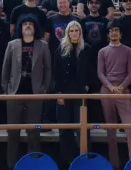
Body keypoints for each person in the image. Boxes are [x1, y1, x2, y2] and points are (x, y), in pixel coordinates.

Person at [1, 13, 51, 170]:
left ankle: (34, 165)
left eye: (31, 24)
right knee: (13, 133)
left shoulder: (43, 45)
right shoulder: (12, 44)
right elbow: (5, 68)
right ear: (20, 27)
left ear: (35, 27)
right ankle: (11, 165)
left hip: (35, 94)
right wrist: (6, 89)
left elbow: (48, 69)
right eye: (24, 24)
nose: (28, 26)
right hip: (14, 94)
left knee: (34, 134)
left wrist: (44, 88)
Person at [97, 19, 131, 170]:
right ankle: (114, 164)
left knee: (129, 128)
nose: (114, 33)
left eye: (116, 30)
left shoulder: (128, 50)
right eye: (111, 31)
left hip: (123, 90)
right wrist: (109, 86)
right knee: (111, 130)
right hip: (107, 91)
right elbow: (100, 73)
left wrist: (121, 87)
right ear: (108, 34)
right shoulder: (102, 51)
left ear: (120, 34)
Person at [53, 21, 92, 167]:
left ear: (80, 33)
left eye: (77, 31)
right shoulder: (60, 49)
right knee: (65, 129)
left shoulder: (86, 49)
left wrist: (87, 86)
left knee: (82, 130)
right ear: (67, 33)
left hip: (81, 93)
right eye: (71, 31)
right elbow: (56, 73)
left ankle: (84, 161)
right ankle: (67, 162)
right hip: (64, 93)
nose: (74, 33)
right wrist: (59, 93)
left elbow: (90, 70)